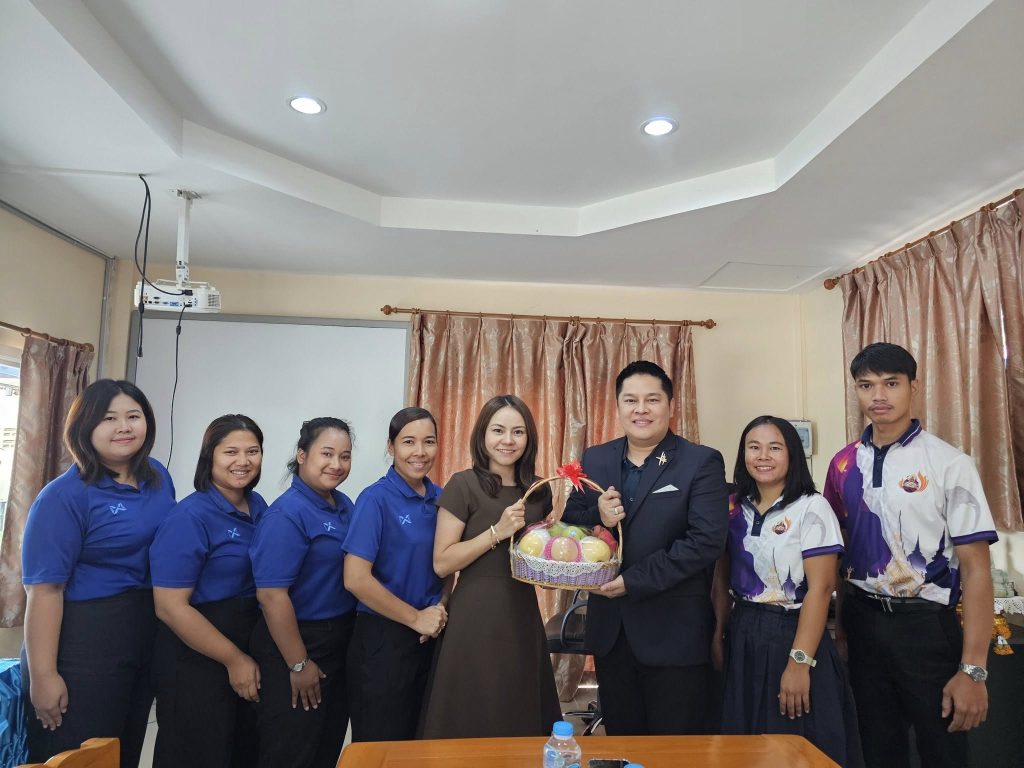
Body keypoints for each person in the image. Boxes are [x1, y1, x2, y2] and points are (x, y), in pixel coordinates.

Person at [824, 342, 997, 768]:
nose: (878, 395)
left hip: (926, 628)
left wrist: (974, 669)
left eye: (891, 383)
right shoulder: (843, 463)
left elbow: (976, 570)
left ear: (913, 388)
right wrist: (842, 629)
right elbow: (838, 554)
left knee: (943, 749)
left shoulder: (949, 464)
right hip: (864, 623)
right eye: (866, 385)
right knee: (876, 748)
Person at [561, 360, 728, 736]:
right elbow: (570, 525)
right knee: (623, 742)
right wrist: (599, 514)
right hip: (611, 632)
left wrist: (632, 581)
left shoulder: (700, 461)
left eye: (652, 400)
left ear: (671, 405)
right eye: (631, 400)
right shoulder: (596, 458)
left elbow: (705, 542)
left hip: (673, 633)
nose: (641, 409)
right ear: (618, 406)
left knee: (675, 748)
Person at [20, 379, 176, 768]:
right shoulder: (63, 496)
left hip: (143, 632)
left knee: (123, 748)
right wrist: (43, 676)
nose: (124, 427)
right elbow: (44, 592)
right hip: (84, 639)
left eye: (133, 416)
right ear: (85, 426)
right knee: (80, 754)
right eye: (109, 418)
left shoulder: (158, 477)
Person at [712, 416, 863, 767]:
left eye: (775, 448)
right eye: (754, 447)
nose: (763, 456)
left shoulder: (812, 507)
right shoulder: (731, 507)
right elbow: (720, 577)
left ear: (792, 454)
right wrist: (718, 632)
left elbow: (821, 589)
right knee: (743, 744)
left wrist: (799, 663)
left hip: (794, 632)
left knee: (795, 745)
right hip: (743, 631)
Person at [420, 395, 562, 738]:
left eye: (518, 432)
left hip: (521, 612)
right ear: (482, 434)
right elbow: (442, 562)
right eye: (498, 430)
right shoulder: (463, 484)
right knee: (472, 710)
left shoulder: (538, 491)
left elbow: (538, 562)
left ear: (529, 438)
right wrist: (497, 531)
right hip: (474, 614)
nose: (507, 440)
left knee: (518, 708)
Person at [149, 414, 268, 768]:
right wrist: (234, 659)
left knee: (241, 751)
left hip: (247, 638)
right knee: (198, 752)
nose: (243, 461)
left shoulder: (259, 506)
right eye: (231, 451)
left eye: (253, 451)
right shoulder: (190, 516)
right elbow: (170, 607)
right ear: (209, 456)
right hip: (196, 653)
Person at [249, 418, 357, 768]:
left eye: (345, 456)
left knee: (325, 745)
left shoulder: (343, 505)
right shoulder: (287, 513)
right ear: (301, 455)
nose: (336, 464)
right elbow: (271, 596)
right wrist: (298, 663)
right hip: (296, 642)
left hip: (338, 639)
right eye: (327, 454)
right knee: (291, 750)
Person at [343, 407, 447, 741]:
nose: (420, 452)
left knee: (421, 740)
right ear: (391, 447)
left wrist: (438, 610)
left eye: (428, 441)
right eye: (408, 442)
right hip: (383, 637)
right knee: (381, 743)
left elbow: (447, 564)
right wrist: (416, 618)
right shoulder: (375, 499)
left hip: (430, 635)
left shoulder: (441, 497)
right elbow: (355, 578)